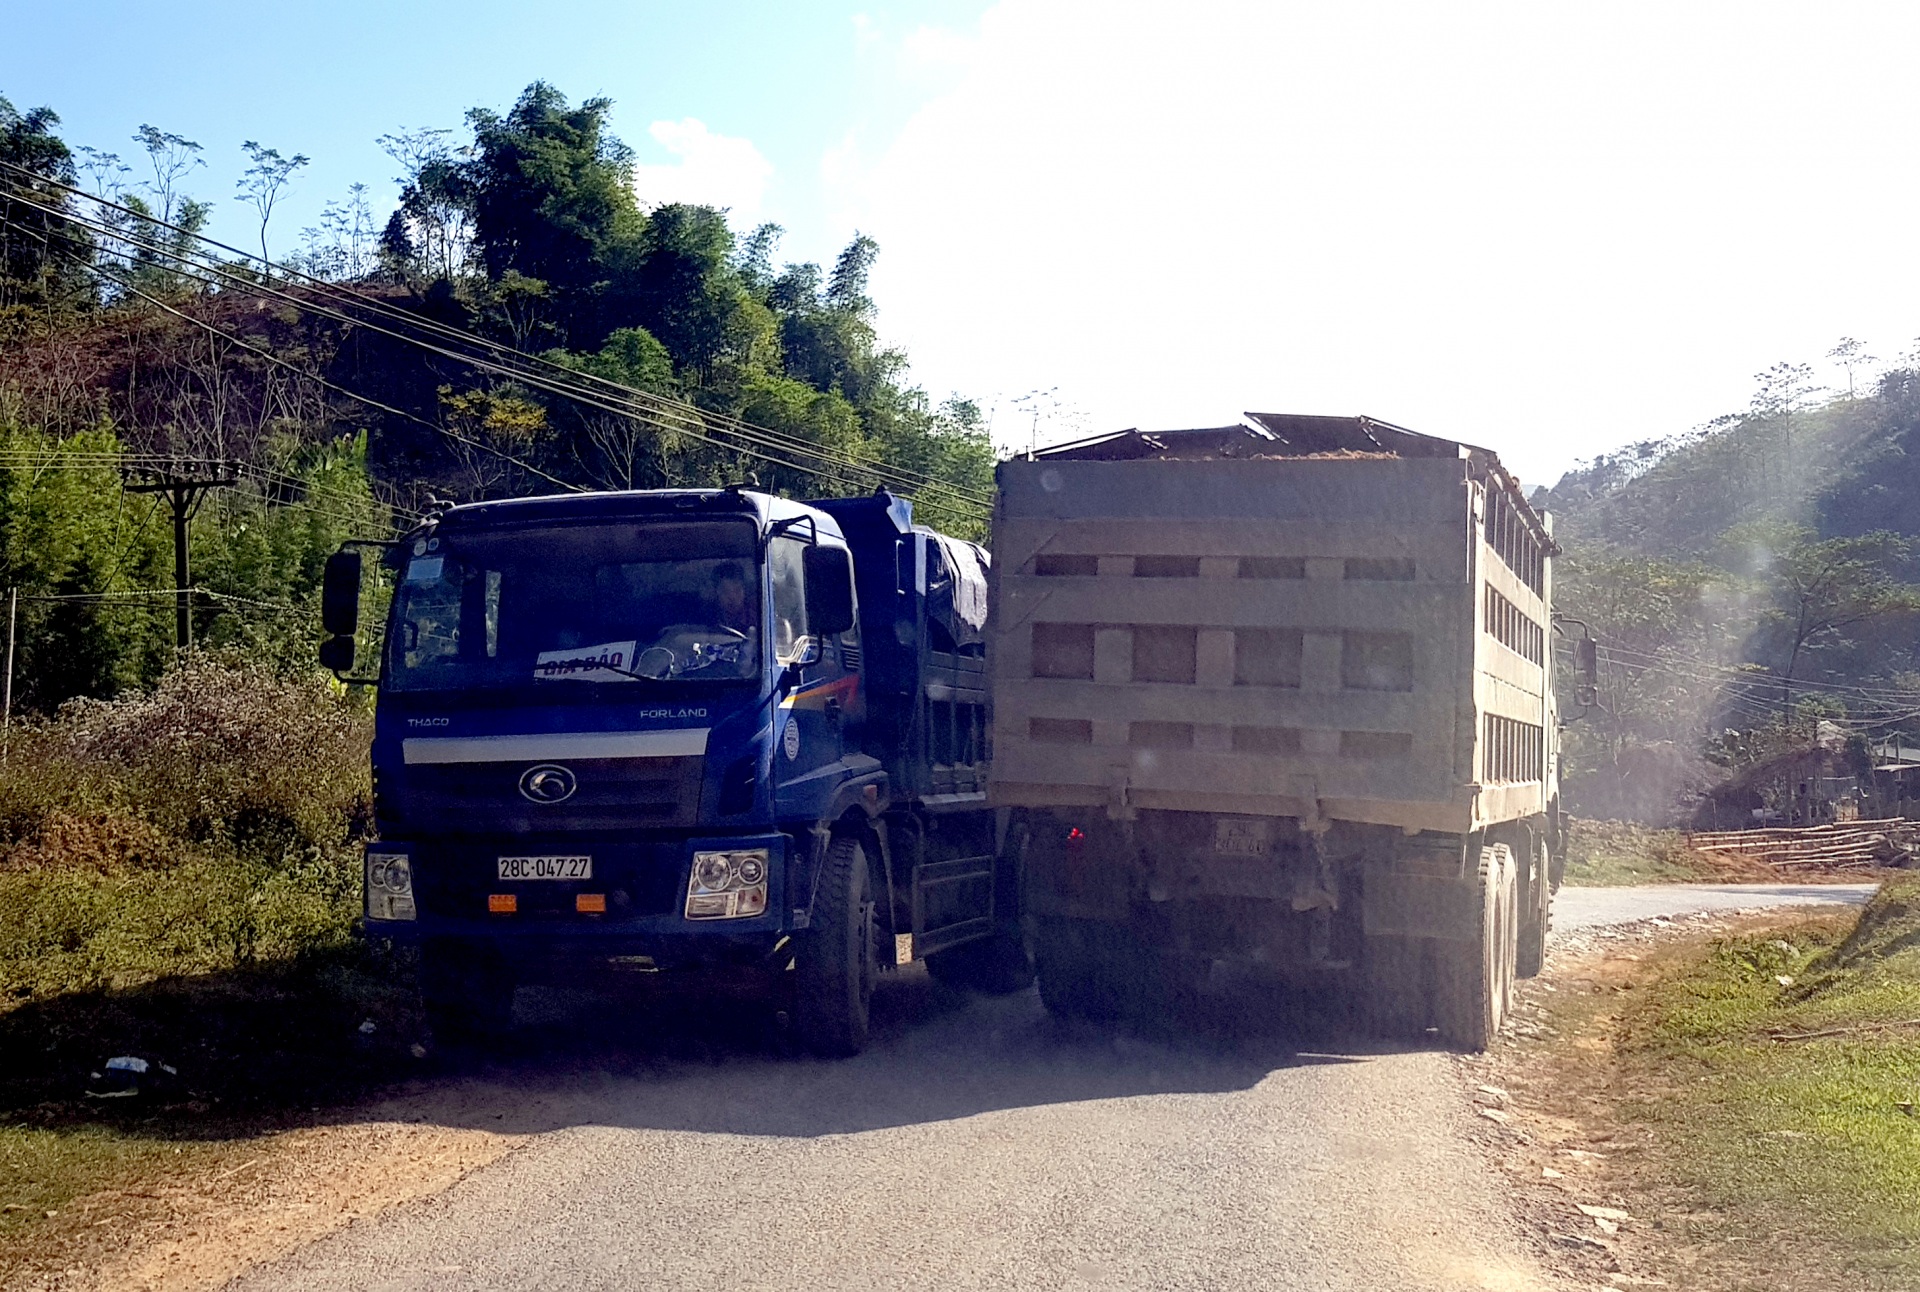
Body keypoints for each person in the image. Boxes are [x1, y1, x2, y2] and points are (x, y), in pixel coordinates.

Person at [709, 562, 755, 634]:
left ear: (745, 591)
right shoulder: (708, 618)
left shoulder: (757, 618)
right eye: (725, 591)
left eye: (737, 590)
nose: (732, 597)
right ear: (716, 593)